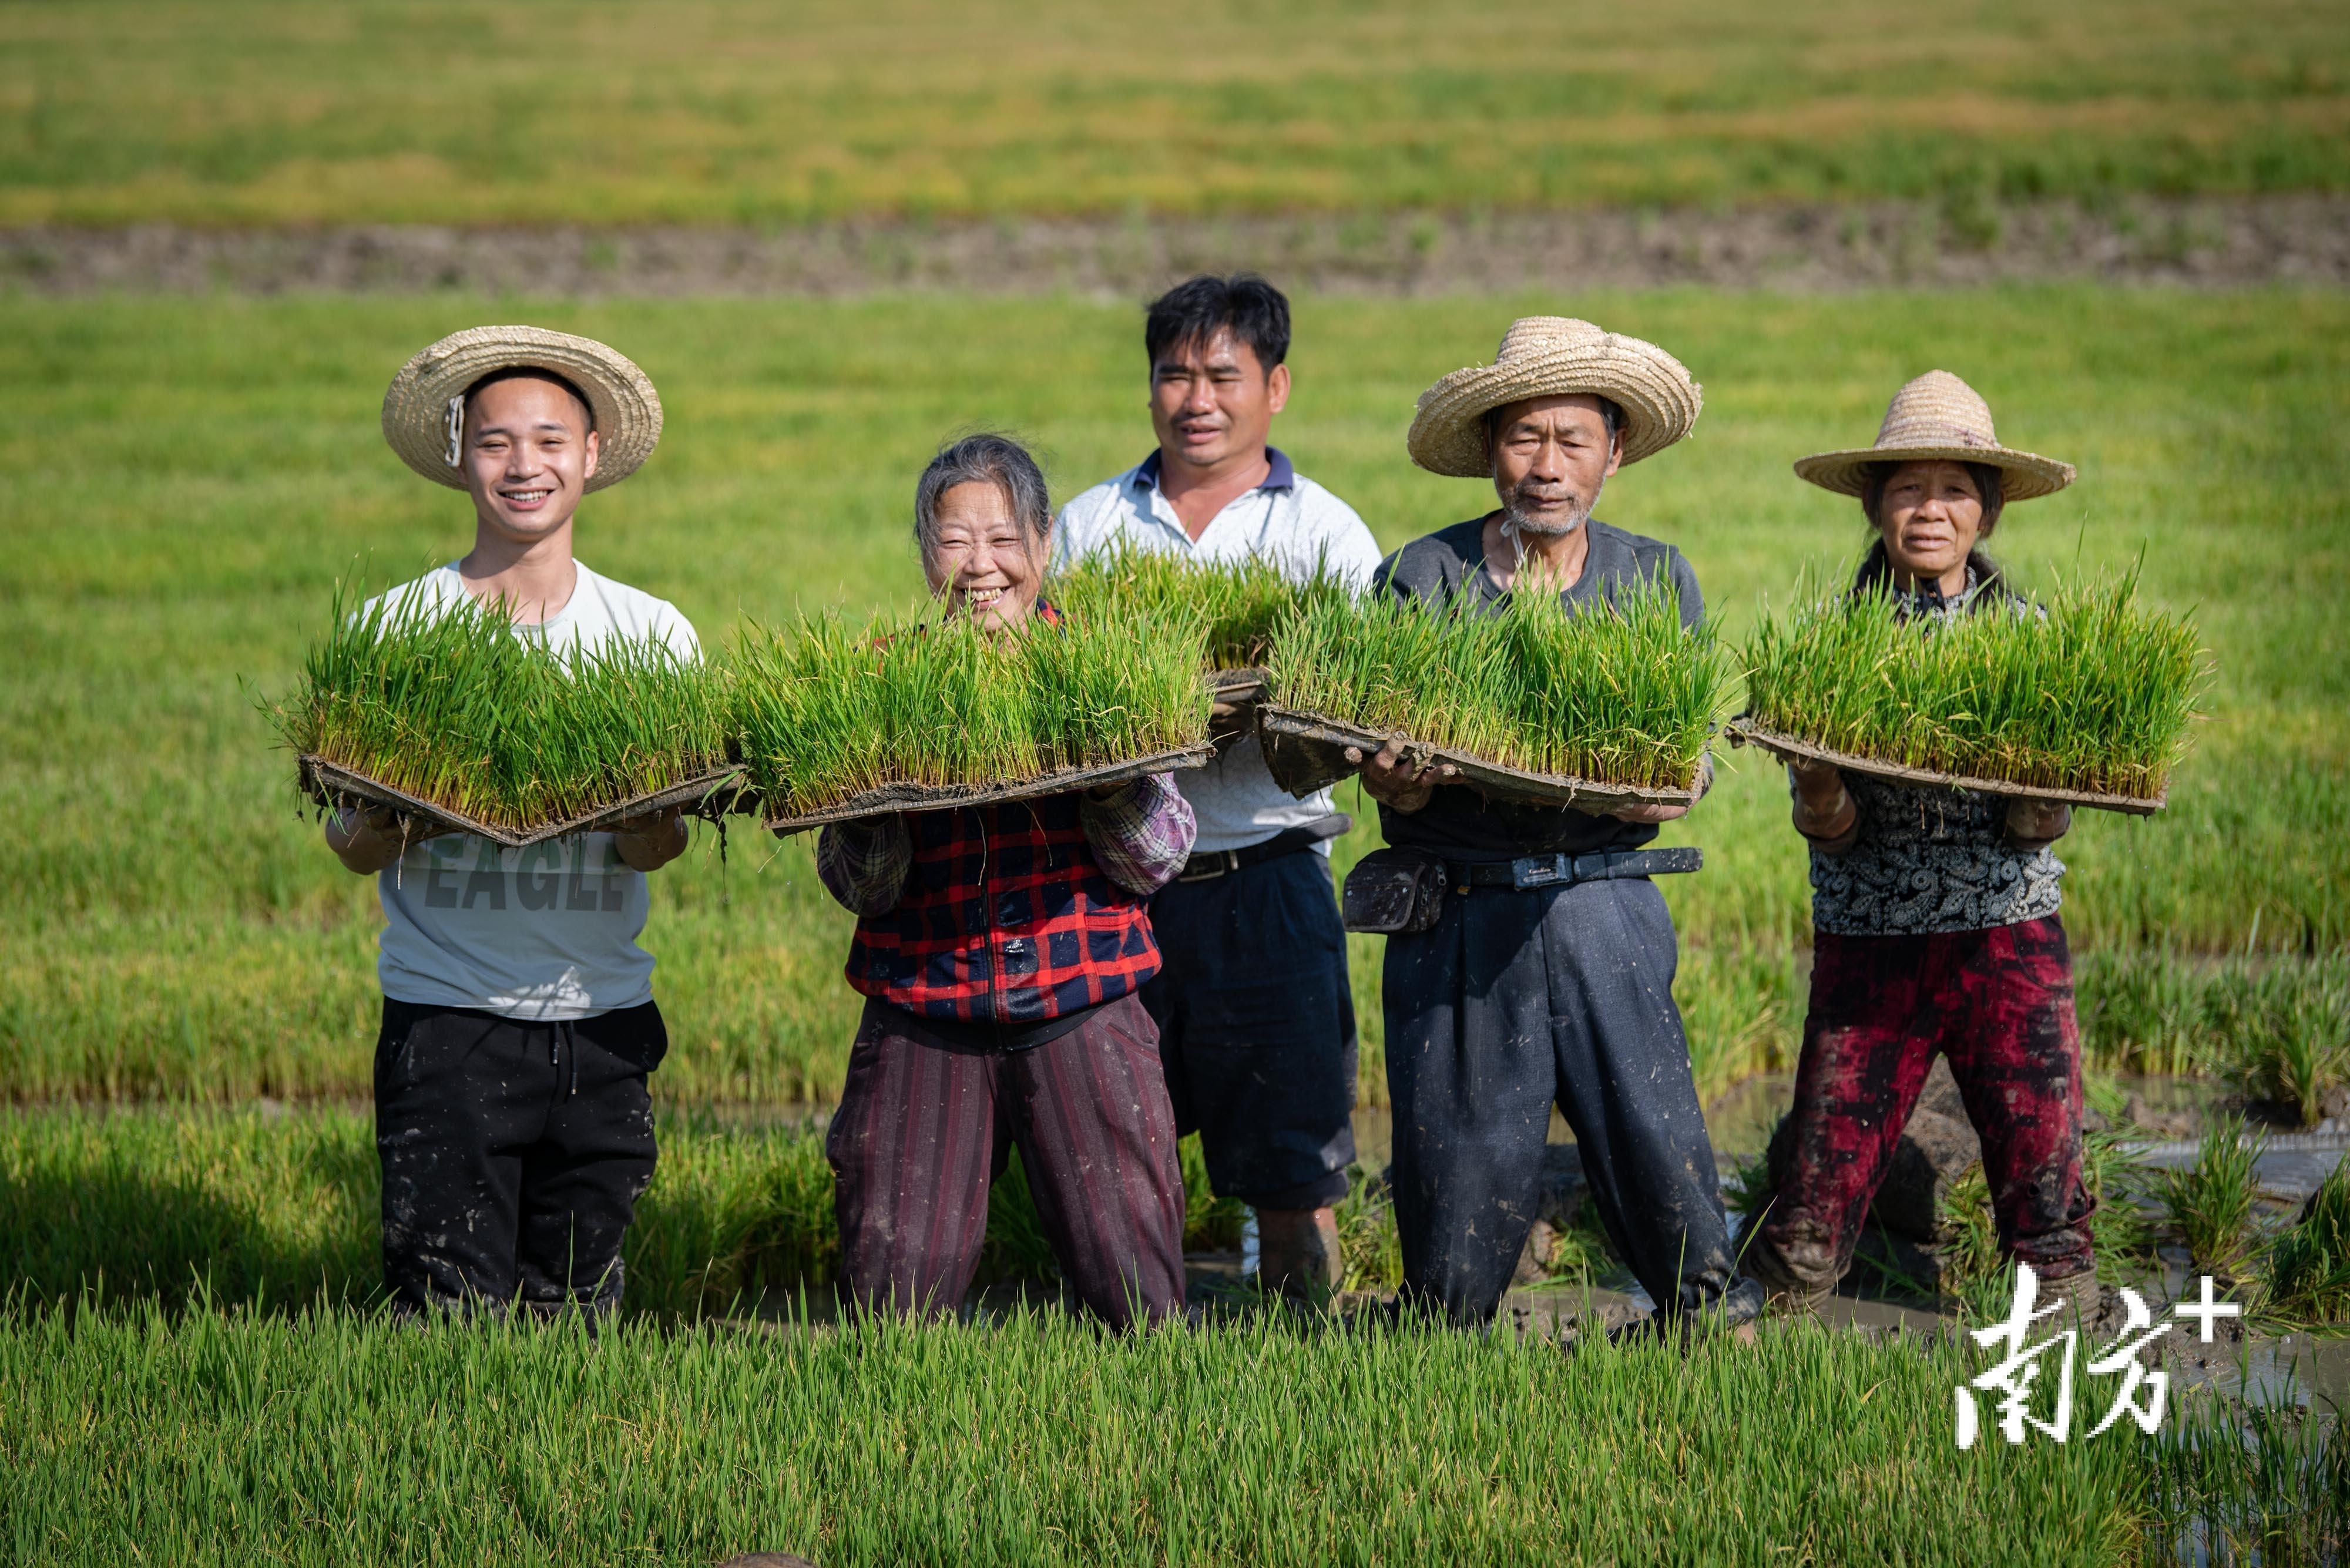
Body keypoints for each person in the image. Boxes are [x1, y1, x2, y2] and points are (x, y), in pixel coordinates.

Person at [1351, 316, 1762, 1331]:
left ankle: (1706, 1310)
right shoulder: (1421, 580)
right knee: (1450, 1249)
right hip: (1459, 915)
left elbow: (1687, 762)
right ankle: (1444, 1314)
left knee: (1652, 1133)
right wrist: (1398, 785)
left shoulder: (1651, 578)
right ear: (1491, 450)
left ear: (1614, 452)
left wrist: (1663, 786)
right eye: (1524, 438)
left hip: (1602, 905)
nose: (1546, 466)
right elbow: (1382, 776)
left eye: (1572, 439)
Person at [330, 325, 697, 1317]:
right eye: (495, 442)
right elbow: (352, 845)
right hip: (447, 1023)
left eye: (547, 440)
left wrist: (647, 811)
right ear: (459, 452)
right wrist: (424, 811)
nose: (523, 465)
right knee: (444, 1318)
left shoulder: (651, 636)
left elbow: (655, 850)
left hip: (606, 1023)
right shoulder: (393, 629)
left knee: (577, 1312)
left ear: (589, 455)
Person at [814, 433, 1197, 1327]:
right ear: (924, 554)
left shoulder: (1106, 668)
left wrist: (1113, 783)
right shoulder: (881, 679)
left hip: (1084, 998)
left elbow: (1162, 855)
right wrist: (876, 801)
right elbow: (859, 885)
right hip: (927, 1004)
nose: (980, 566)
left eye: (1002, 538)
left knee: (1136, 1288)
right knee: (892, 1295)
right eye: (955, 541)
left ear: (1046, 541)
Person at [1055, 275, 1382, 1301]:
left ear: (1276, 387)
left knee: (1293, 1168)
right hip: (1117, 887)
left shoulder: (1327, 533)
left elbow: (1358, 712)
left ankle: (1300, 1352)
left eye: (1223, 375)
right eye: (1173, 374)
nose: (1196, 398)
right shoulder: (1089, 524)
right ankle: (1140, 1348)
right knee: (1115, 1157)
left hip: (1271, 882)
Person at [1743, 371, 2095, 1316]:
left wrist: (2040, 797)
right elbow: (1832, 829)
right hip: (1870, 939)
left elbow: (2039, 826)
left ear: (1988, 512)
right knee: (1817, 1187)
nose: (1929, 510)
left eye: (1954, 490)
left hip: (2007, 938)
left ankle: (2064, 1318)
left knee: (2044, 1163)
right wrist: (1818, 783)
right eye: (1906, 488)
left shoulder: (2034, 642)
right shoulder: (1827, 643)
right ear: (1874, 506)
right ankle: (1779, 1316)